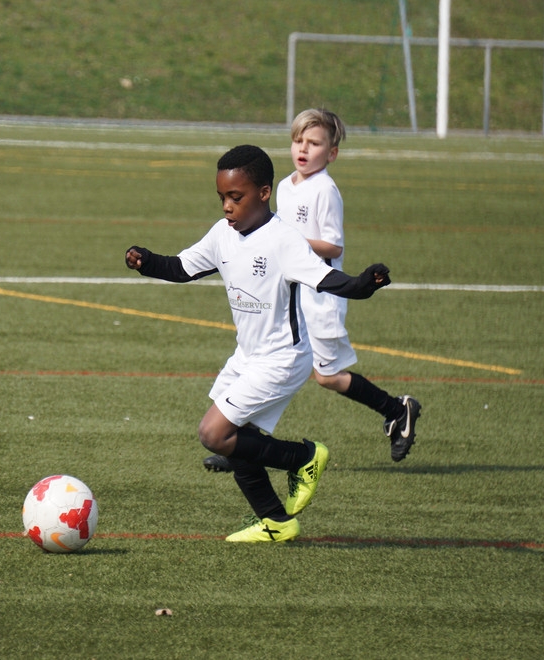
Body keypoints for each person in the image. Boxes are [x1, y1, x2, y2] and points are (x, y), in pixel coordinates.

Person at [125, 144, 391, 543]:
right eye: (222, 197)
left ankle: (303, 458)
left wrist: (362, 285)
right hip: (248, 356)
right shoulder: (223, 234)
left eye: (236, 197)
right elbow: (181, 268)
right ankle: (276, 522)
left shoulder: (283, 240)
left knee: (214, 434)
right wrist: (146, 261)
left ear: (264, 193)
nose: (227, 207)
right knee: (236, 440)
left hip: (283, 358)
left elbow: (327, 280)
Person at [204, 110, 420, 474]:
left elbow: (333, 246)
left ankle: (398, 410)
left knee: (327, 375)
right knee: (267, 364)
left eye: (315, 143)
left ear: (332, 153)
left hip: (322, 297)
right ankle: (238, 443)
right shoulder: (286, 186)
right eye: (298, 141)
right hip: (293, 294)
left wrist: (287, 244)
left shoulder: (325, 190)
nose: (303, 149)